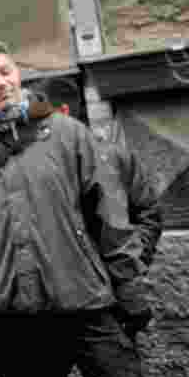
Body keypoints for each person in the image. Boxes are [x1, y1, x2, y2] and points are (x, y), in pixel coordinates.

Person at [0, 40, 149, 377]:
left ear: (18, 74)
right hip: (13, 318)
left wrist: (128, 284)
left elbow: (110, 215)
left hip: (85, 302)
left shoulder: (68, 134)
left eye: (5, 71)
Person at [30, 77, 163, 339]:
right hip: (53, 302)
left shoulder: (113, 157)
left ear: (63, 113)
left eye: (40, 118)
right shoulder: (31, 163)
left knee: (120, 376)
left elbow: (149, 214)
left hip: (108, 301)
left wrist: (128, 269)